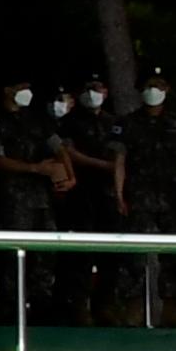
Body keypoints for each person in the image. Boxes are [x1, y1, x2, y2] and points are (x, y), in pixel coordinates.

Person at [0, 74, 70, 323]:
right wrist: (36, 168)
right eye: (20, 87)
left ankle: (42, 314)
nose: (26, 92)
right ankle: (10, 317)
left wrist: (68, 174)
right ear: (7, 90)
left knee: (45, 256)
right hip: (10, 203)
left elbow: (59, 148)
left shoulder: (38, 120)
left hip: (42, 202)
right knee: (12, 263)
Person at [120, 74, 176, 324]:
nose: (152, 91)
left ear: (167, 90)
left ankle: (172, 308)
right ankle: (134, 308)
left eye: (157, 86)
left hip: (172, 197)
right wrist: (120, 193)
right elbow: (120, 162)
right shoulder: (129, 123)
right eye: (148, 86)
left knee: (173, 255)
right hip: (139, 195)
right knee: (136, 255)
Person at [59, 72, 130, 323]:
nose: (93, 93)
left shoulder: (116, 122)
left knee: (111, 252)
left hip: (109, 195)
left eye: (97, 88)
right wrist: (104, 166)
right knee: (81, 253)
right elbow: (69, 152)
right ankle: (79, 306)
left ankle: (106, 306)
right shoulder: (69, 122)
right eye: (89, 88)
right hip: (81, 194)